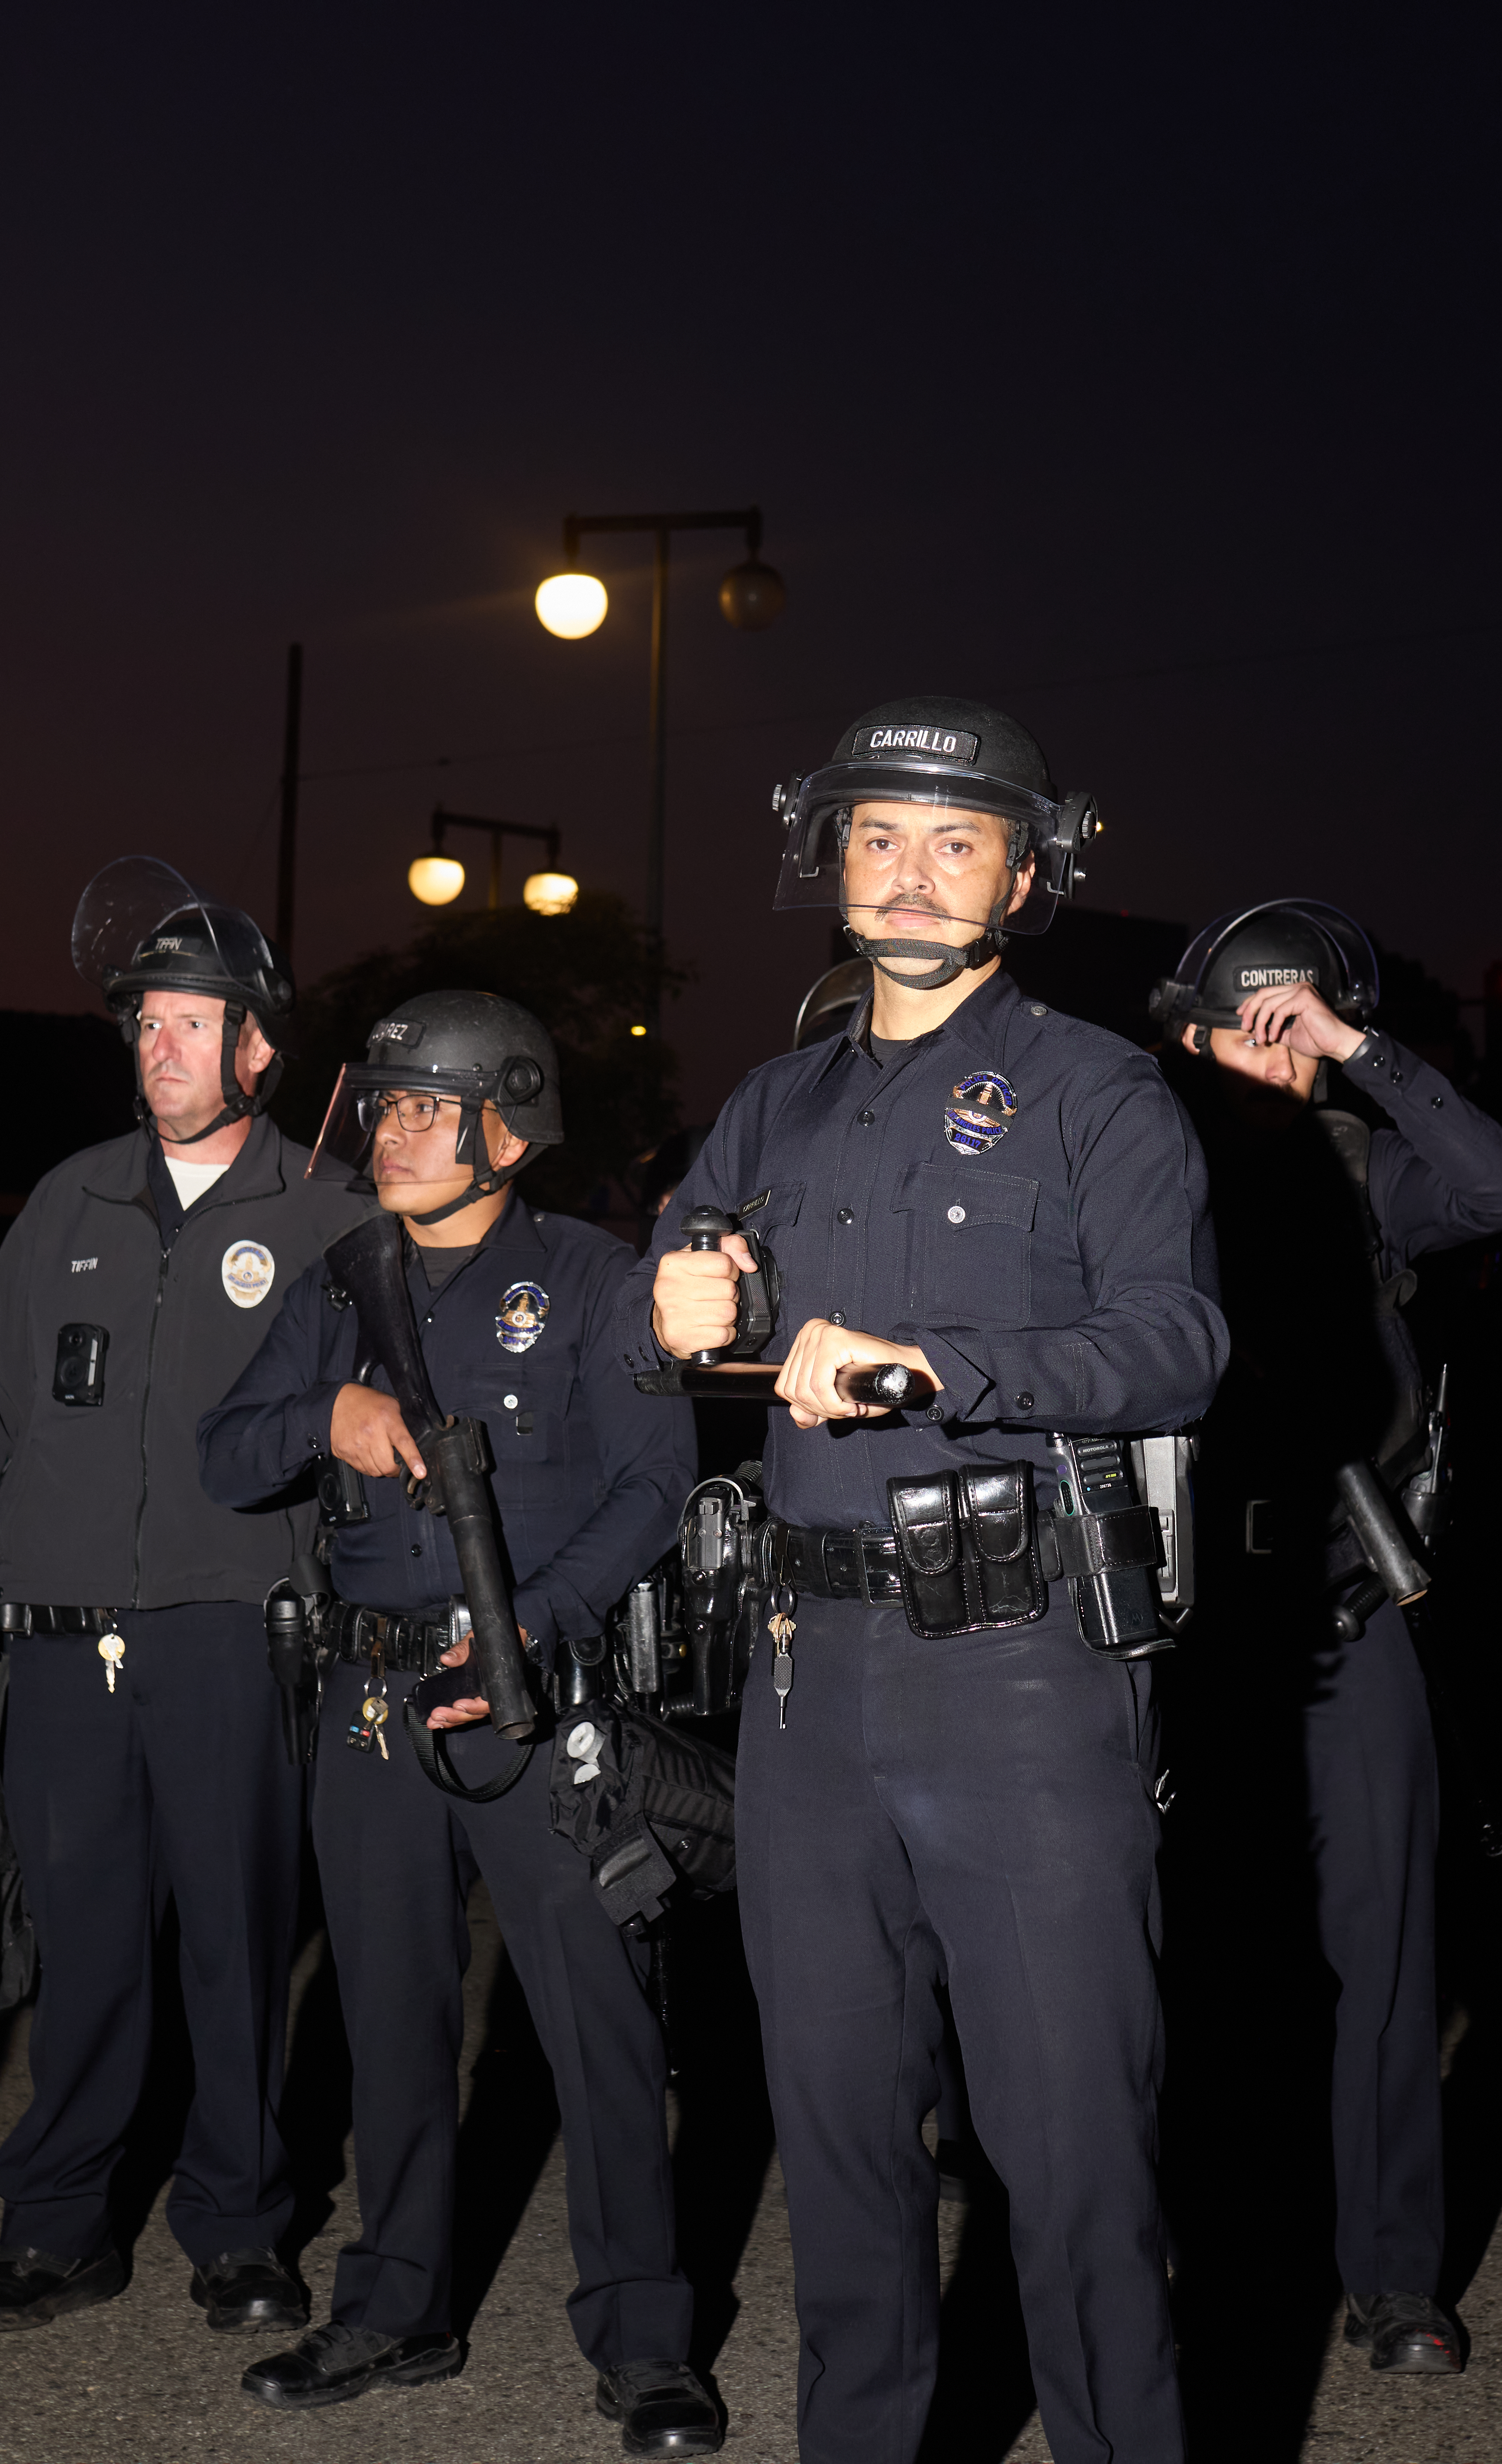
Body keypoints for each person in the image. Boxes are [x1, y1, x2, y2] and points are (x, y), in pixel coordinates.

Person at [643, 696, 1226, 2463]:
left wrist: (938, 1365)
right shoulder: (776, 1093)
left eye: (952, 838)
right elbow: (684, 1246)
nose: (907, 871)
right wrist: (673, 1281)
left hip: (1016, 1674)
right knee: (835, 2160)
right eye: (876, 837)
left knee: (1070, 2166)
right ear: (832, 866)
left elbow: (1179, 1340)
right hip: (804, 1682)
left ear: (1022, 874)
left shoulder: (1098, 1090)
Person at [195, 990, 721, 2456]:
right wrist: (325, 1414)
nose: (399, 1130)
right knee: (392, 2023)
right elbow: (222, 1455)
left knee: (597, 2027)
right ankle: (396, 2301)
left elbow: (654, 1483)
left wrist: (532, 1625)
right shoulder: (340, 1276)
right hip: (371, 1706)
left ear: (510, 1122)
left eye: (433, 1106)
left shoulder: (593, 1277)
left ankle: (646, 2337)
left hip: (533, 1695)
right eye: (389, 1104)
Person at [0, 876, 365, 2338]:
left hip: (232, 1628)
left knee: (238, 1941)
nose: (161, 1046)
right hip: (64, 1636)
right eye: (145, 1023)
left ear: (258, 1050)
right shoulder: (67, 1196)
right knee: (84, 1933)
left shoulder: (322, 1212)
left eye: (194, 1023)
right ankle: (59, 2226)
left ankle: (239, 2226)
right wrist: (41, 1554)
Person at [1151, 898, 1502, 2375]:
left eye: (1291, 1027)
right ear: (1180, 1037)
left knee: (1380, 1943)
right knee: (1178, 1939)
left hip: (1340, 1587)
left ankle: (1390, 2275)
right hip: (1170, 1613)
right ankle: (1186, 2234)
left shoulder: (1367, 1173)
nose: (1268, 1052)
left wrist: (1359, 1048)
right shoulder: (1126, 1171)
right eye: (1237, 1025)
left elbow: (1500, 1185)